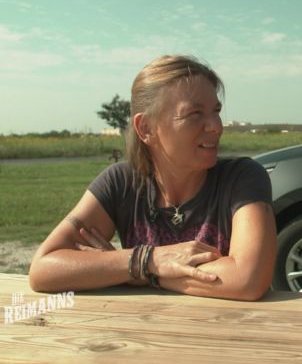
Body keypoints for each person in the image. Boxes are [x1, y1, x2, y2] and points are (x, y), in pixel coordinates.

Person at [29, 55, 276, 301]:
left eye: (216, 111)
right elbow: (43, 269)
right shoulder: (122, 182)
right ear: (146, 128)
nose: (216, 126)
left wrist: (138, 272)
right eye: (195, 114)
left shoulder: (242, 178)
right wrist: (149, 260)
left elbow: (248, 279)